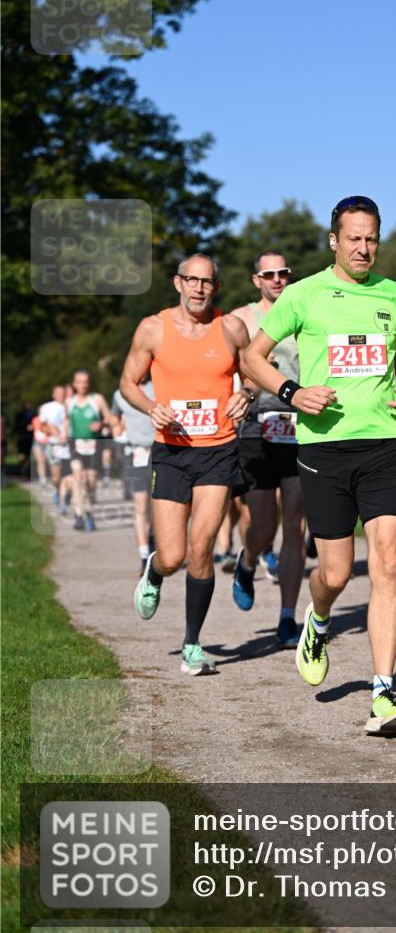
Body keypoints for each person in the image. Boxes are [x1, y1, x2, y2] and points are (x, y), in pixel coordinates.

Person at [243, 195, 396, 737]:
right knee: (337, 573)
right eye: (354, 238)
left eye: (371, 239)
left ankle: (384, 694)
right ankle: (317, 621)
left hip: (383, 442)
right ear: (334, 241)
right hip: (324, 449)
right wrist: (292, 392)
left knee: (388, 561)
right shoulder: (303, 294)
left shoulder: (393, 295)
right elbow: (253, 357)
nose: (363, 248)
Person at [119, 253, 252, 676]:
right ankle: (155, 574)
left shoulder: (231, 328)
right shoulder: (153, 328)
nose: (198, 289)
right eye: (191, 281)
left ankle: (192, 643)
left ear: (215, 287)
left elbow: (253, 374)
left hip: (219, 449)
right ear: (178, 283)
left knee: (201, 548)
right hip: (172, 451)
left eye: (206, 282)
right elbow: (128, 383)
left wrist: (245, 394)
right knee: (174, 555)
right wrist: (150, 407)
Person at [230, 251, 305, 648]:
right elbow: (232, 369)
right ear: (256, 279)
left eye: (283, 273)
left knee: (294, 521)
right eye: (269, 274)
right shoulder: (241, 320)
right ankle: (247, 561)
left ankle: (287, 617)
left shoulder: (304, 310)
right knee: (263, 526)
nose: (277, 279)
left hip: (298, 425)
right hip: (256, 427)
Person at [110, 374, 156, 575]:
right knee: (140, 505)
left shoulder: (159, 385)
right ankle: (144, 554)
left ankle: (155, 541)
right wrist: (117, 427)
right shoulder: (121, 393)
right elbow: (113, 415)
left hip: (161, 452)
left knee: (158, 504)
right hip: (135, 453)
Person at [66, 370, 112, 531]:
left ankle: (89, 511)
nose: (83, 385)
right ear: (74, 383)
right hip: (75, 445)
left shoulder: (97, 399)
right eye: (79, 382)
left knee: (91, 482)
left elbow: (110, 418)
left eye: (85, 382)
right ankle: (79, 514)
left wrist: (102, 424)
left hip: (94, 445)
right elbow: (66, 422)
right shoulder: (69, 402)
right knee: (79, 478)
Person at [38, 385, 67, 504]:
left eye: (63, 393)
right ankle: (57, 488)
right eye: (58, 393)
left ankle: (65, 497)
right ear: (53, 394)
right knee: (56, 474)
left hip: (69, 444)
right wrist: (54, 433)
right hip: (54, 444)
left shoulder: (70, 405)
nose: (61, 395)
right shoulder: (46, 407)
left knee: (69, 472)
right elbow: (41, 426)